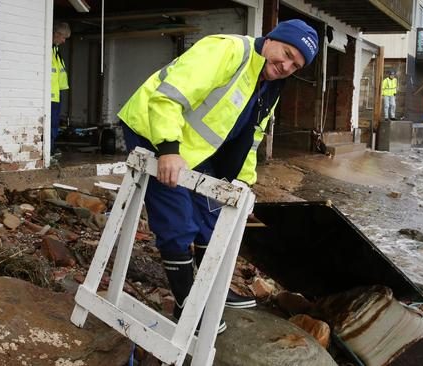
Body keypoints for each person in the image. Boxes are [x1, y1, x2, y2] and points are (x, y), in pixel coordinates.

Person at [118, 19, 319, 333]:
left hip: (195, 150)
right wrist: (168, 149)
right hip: (154, 133)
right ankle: (187, 305)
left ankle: (210, 291)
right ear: (272, 39)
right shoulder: (227, 51)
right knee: (178, 222)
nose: (287, 65)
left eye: (296, 64)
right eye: (287, 52)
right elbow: (168, 95)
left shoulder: (270, 84)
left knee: (213, 217)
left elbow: (252, 138)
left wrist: (243, 183)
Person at [51, 22, 70, 152]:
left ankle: (51, 148)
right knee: (51, 123)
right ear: (56, 34)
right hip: (50, 96)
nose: (64, 41)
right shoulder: (49, 51)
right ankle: (49, 149)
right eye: (63, 37)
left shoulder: (55, 52)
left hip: (56, 94)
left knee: (54, 123)